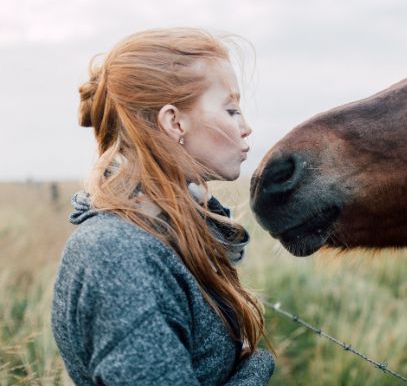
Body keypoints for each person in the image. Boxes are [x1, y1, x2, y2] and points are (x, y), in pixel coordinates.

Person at [51, 28, 275, 386]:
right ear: (174, 121)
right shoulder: (118, 256)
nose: (245, 128)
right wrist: (254, 372)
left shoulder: (159, 235)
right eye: (231, 109)